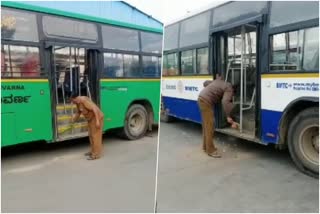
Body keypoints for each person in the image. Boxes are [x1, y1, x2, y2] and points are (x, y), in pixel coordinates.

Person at [198, 74, 238, 158]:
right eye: (232, 96)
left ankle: (205, 147)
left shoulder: (219, 82)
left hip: (201, 98)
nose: (232, 96)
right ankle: (211, 150)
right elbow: (225, 102)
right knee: (210, 127)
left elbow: (205, 83)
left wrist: (213, 88)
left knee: (206, 126)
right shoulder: (229, 88)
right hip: (206, 102)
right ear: (233, 91)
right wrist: (228, 116)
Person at [70, 94, 104, 160]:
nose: (72, 102)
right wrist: (74, 120)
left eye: (72, 100)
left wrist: (97, 121)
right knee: (91, 135)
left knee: (95, 136)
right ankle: (92, 151)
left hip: (96, 118)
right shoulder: (78, 103)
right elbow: (78, 112)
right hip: (90, 119)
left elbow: (94, 109)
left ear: (75, 98)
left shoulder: (84, 101)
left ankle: (96, 155)